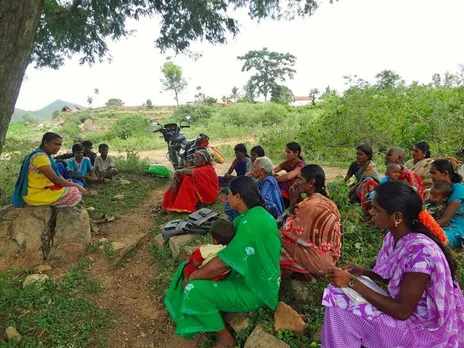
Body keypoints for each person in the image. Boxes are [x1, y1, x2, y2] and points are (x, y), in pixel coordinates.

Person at [322, 181, 464, 348]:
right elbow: (398, 280)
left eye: (377, 209)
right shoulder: (394, 237)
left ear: (397, 217)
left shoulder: (421, 251)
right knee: (339, 290)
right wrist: (365, 273)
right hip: (407, 311)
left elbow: (402, 311)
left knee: (340, 304)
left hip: (423, 331)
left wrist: (352, 282)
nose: (371, 211)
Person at [164, 176, 281, 347]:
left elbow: (224, 262)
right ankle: (202, 308)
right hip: (256, 279)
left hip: (255, 289)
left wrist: (193, 277)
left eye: (229, 194)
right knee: (187, 268)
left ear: (238, 197)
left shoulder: (250, 223)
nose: (228, 198)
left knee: (193, 288)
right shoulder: (257, 215)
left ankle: (225, 338)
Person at [280, 165, 341, 281]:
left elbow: (290, 232)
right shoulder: (328, 202)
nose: (296, 182)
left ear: (311, 183)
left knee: (276, 238)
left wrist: (292, 202)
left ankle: (303, 273)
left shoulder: (310, 205)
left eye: (300, 179)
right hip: (330, 258)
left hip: (319, 261)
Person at [12, 132, 87, 208]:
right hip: (35, 194)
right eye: (55, 144)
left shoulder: (45, 155)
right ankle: (56, 207)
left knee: (69, 184)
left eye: (59, 145)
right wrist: (77, 185)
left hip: (42, 189)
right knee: (75, 191)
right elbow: (56, 180)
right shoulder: (40, 157)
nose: (58, 147)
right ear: (45, 143)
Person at [225, 157, 284, 222]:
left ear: (262, 170)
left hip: (269, 217)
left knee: (231, 207)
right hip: (259, 211)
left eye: (254, 167)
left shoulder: (268, 181)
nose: (252, 169)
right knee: (230, 205)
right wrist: (245, 180)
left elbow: (262, 203)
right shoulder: (260, 180)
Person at [162, 148, 219, 213]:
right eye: (195, 157)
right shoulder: (199, 167)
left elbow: (190, 172)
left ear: (204, 161)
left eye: (198, 158)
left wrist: (177, 171)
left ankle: (185, 204)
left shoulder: (208, 169)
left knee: (188, 179)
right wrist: (175, 179)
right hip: (202, 191)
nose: (195, 160)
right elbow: (185, 171)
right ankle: (173, 202)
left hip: (209, 195)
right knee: (181, 176)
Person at [429, 159, 464, 248]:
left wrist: (423, 229)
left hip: (456, 230)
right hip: (441, 226)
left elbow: (445, 220)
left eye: (434, 173)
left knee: (431, 240)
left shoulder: (458, 189)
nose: (431, 176)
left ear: (445, 174)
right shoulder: (438, 190)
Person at [348, 144, 379, 210]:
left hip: (370, 189)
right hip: (359, 186)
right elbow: (346, 179)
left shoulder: (371, 166)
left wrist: (350, 191)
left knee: (368, 180)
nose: (358, 156)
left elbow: (361, 182)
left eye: (360, 154)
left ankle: (365, 208)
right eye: (357, 154)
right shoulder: (354, 164)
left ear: (368, 156)